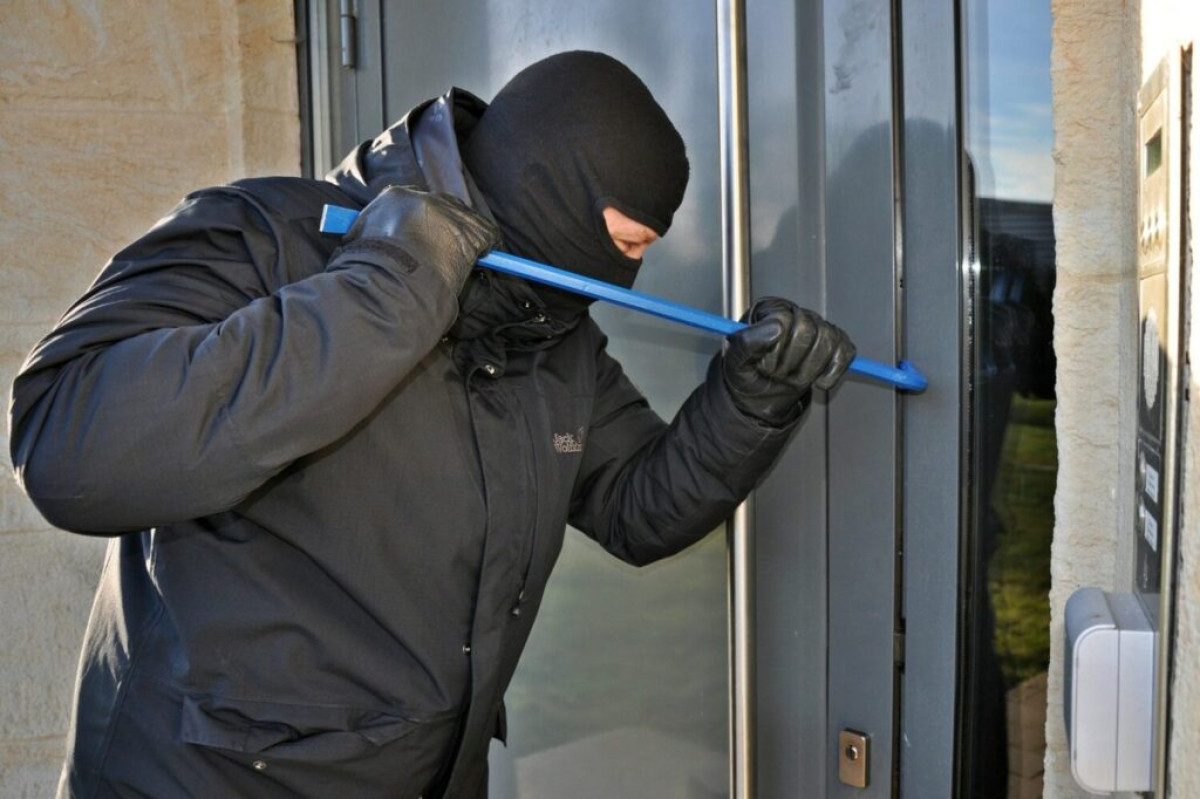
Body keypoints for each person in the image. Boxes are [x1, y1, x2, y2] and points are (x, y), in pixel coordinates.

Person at [9, 51, 854, 798]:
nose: (626, 276)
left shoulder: (552, 334)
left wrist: (752, 396)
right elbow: (66, 447)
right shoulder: (265, 237)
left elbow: (637, 509)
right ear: (547, 191)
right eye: (623, 242)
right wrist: (390, 290)